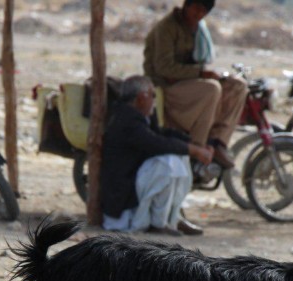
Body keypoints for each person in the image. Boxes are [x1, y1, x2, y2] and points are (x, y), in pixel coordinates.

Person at [100, 75, 213, 236]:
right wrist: (194, 150)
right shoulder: (126, 120)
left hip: (133, 183)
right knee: (168, 162)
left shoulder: (140, 116)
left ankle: (172, 218)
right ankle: (157, 223)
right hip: (123, 196)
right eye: (152, 95)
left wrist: (195, 145)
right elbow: (156, 143)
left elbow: (160, 134)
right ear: (141, 98)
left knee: (179, 156)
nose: (154, 99)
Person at [143, 0, 247, 169]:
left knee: (237, 85)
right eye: (196, 9)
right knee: (211, 89)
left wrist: (210, 73)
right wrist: (201, 73)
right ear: (187, 5)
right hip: (165, 87)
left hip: (187, 83)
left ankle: (217, 142)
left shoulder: (197, 29)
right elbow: (164, 68)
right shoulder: (167, 27)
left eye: (203, 11)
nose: (198, 15)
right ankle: (197, 150)